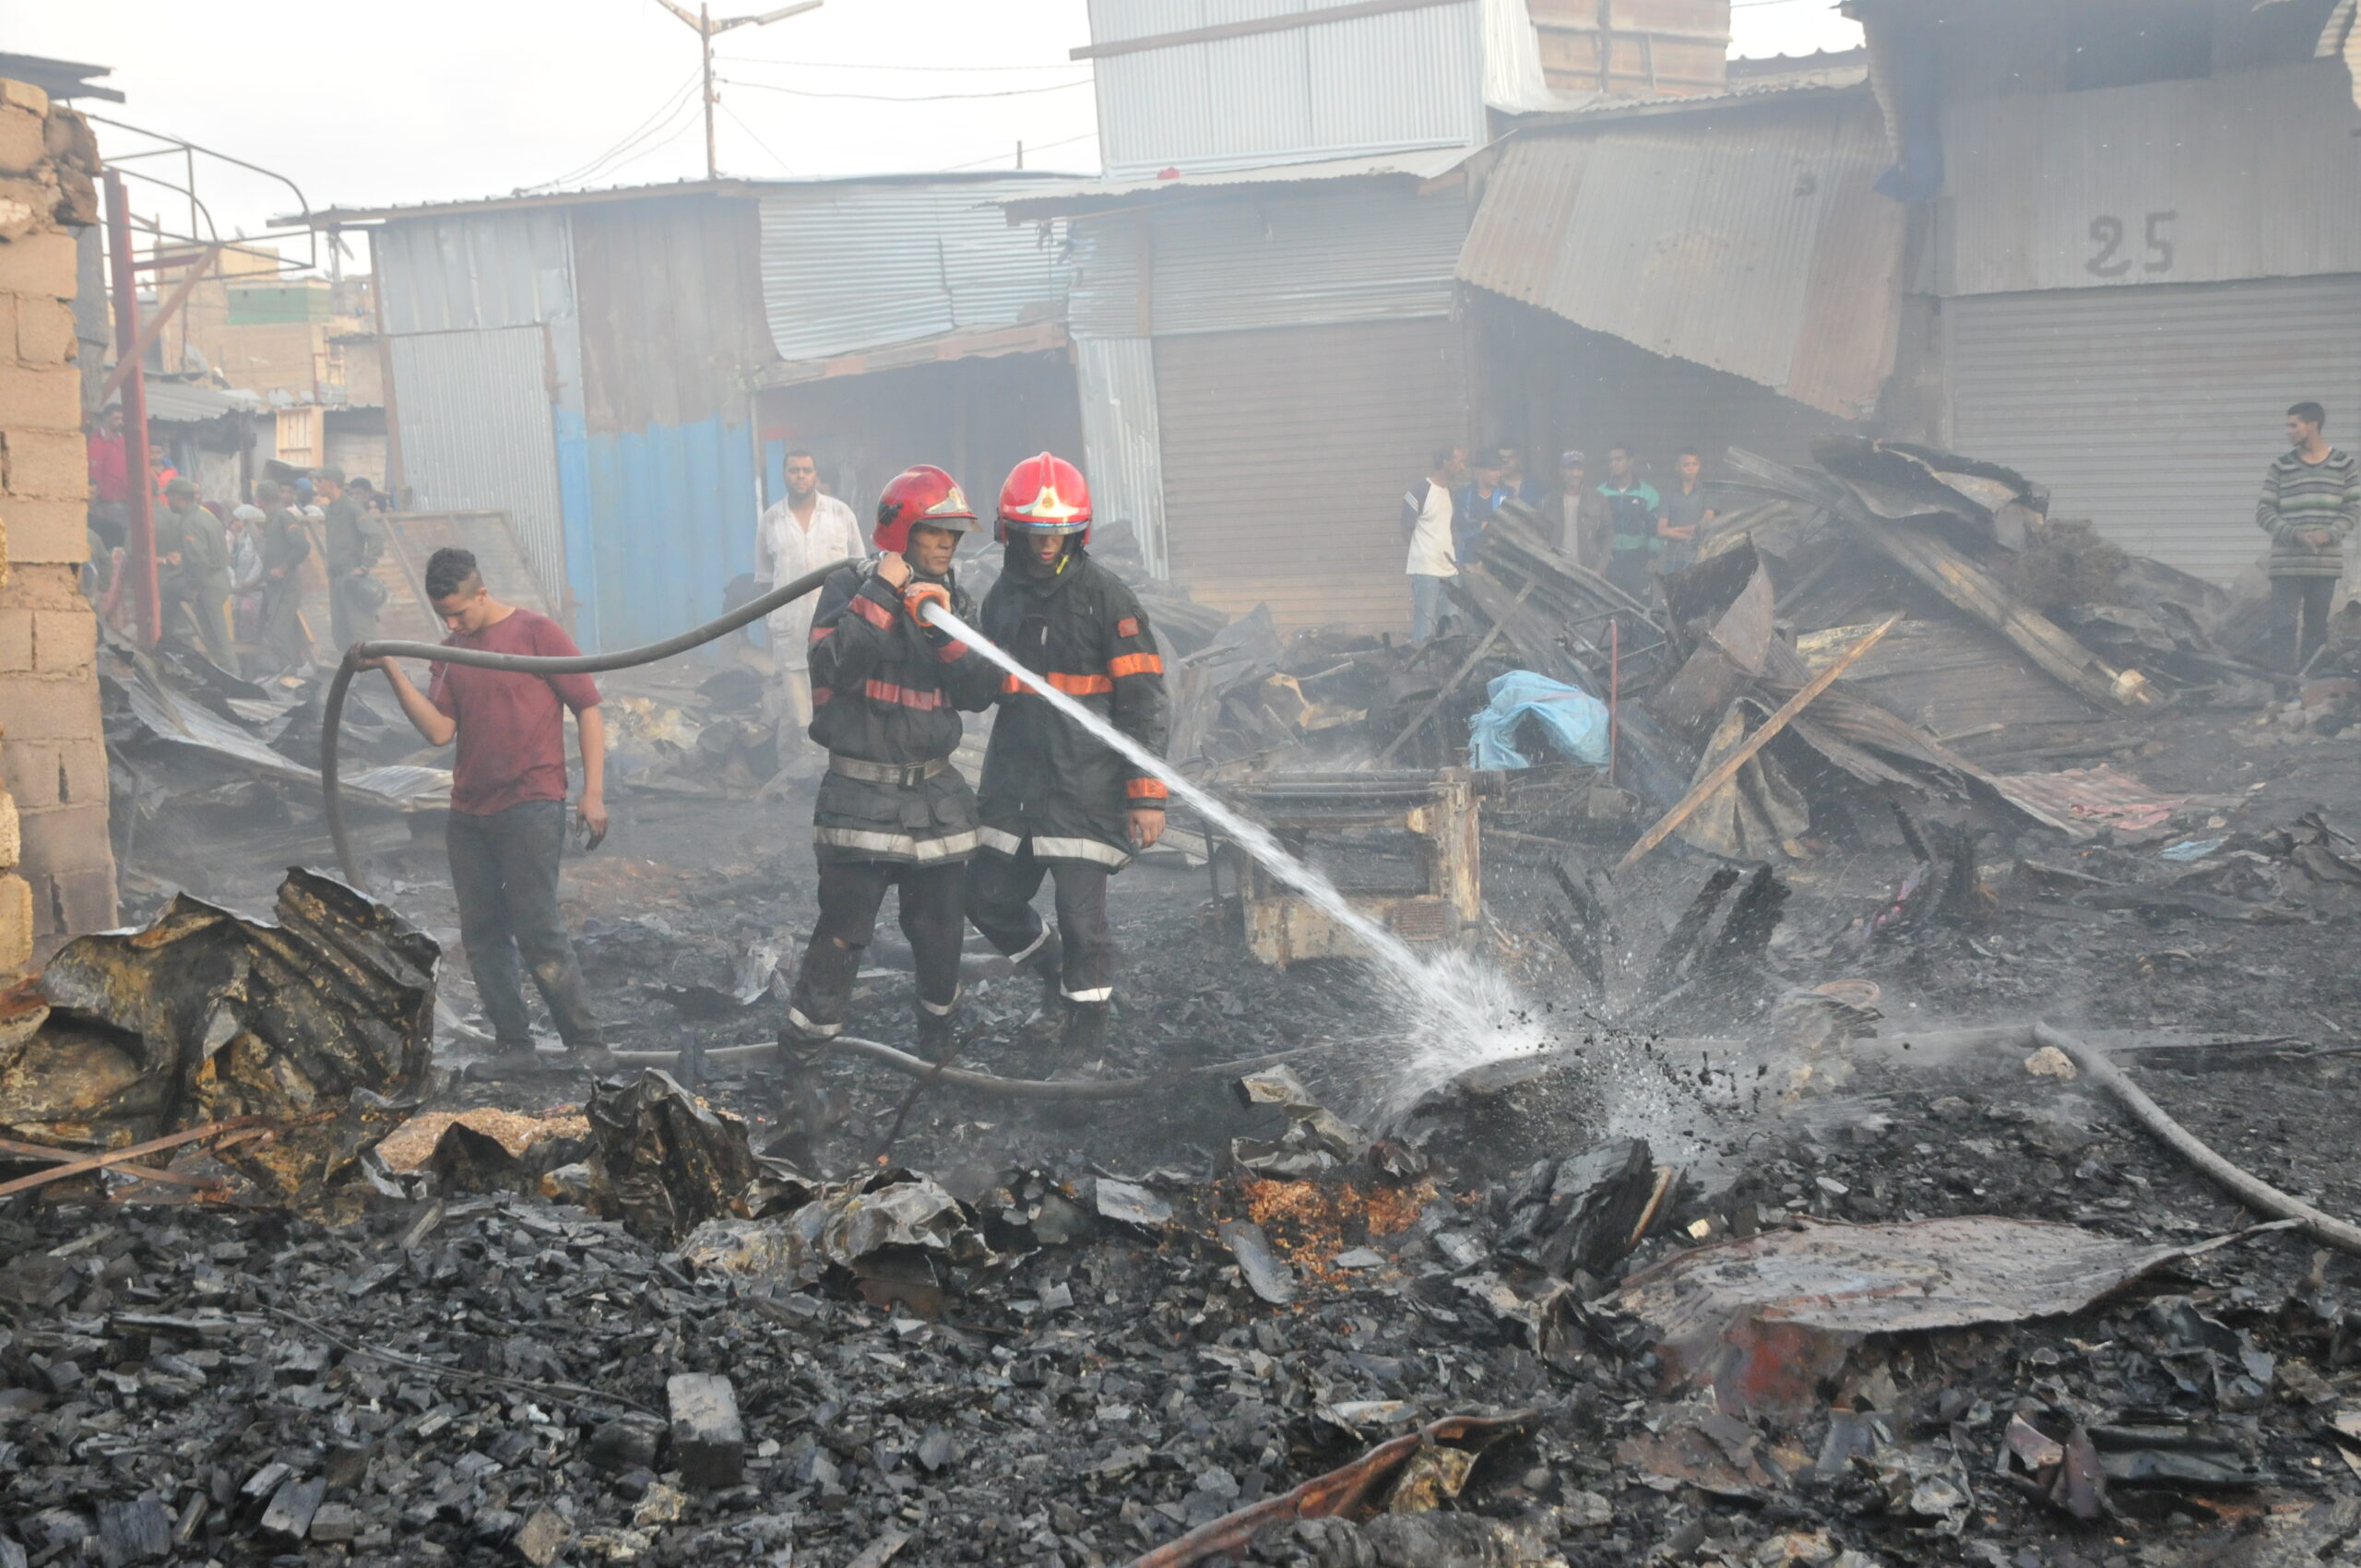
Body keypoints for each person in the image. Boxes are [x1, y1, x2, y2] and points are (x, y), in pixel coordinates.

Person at [774, 465, 1001, 1123]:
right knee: (843, 936)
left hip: (935, 796)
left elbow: (982, 690)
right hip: (859, 794)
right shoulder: (847, 585)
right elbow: (835, 665)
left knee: (940, 933)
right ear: (902, 529)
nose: (947, 547)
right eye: (936, 533)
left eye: (954, 537)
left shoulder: (957, 598)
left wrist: (941, 631)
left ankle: (939, 1050)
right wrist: (882, 591)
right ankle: (801, 1068)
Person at [368, 548, 609, 1075]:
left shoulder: (536, 634)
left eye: (461, 613)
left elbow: (587, 706)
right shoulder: (451, 651)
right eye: (445, 618)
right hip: (471, 809)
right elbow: (438, 731)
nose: (454, 624)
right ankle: (514, 1046)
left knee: (537, 927)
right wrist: (390, 666)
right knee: (482, 933)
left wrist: (594, 792)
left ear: (482, 592)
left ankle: (587, 1044)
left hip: (532, 801)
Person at [965, 453, 1171, 1066]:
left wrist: (1147, 794)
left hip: (1086, 787)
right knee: (986, 899)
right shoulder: (1001, 599)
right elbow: (978, 690)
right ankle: (1056, 980)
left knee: (1082, 922)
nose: (1046, 543)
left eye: (1057, 532)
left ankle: (1087, 1043)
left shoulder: (1108, 599)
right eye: (1034, 532)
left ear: (1075, 532)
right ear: (1013, 532)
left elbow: (1145, 701)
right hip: (1015, 786)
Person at [753, 449, 866, 777]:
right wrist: (771, 624)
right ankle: (809, 775)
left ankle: (842, 768)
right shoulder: (771, 521)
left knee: (841, 690)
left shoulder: (840, 514)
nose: (800, 476)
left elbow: (860, 570)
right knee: (800, 706)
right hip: (791, 629)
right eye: (794, 471)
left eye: (806, 470)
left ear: (816, 475)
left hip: (837, 626)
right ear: (785, 475)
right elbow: (764, 581)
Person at [2258, 401, 2361, 670]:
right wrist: (2295, 535)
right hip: (2286, 564)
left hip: (2324, 565)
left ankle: (2306, 692)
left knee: (2316, 630)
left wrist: (2329, 534)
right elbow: (2264, 511)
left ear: (2313, 426)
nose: (2288, 431)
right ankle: (2281, 693)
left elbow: (2354, 509)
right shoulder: (2281, 466)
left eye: (2294, 425)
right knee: (2283, 626)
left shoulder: (2343, 464)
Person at [154, 476, 232, 667]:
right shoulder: (205, 516)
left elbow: (199, 560)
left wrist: (194, 587)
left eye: (169, 496)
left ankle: (233, 678)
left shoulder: (190, 523)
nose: (167, 501)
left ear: (179, 497)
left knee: (217, 640)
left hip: (208, 583)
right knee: (215, 639)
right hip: (218, 578)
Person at [1402, 445, 1464, 645]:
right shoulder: (1419, 490)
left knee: (1450, 627)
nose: (1462, 467)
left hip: (1449, 569)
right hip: (1426, 569)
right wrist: (1424, 551)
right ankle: (1420, 673)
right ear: (1445, 462)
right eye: (1459, 462)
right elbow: (1405, 530)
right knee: (1424, 629)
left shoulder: (1449, 492)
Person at [321, 467, 387, 649]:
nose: (317, 486)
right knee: (340, 632)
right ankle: (352, 674)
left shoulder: (351, 508)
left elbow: (376, 535)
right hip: (336, 579)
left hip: (352, 578)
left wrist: (365, 566)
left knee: (363, 631)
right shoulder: (331, 509)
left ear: (332, 482)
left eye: (320, 481)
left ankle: (376, 674)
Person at [255, 480, 313, 673]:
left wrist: (283, 568)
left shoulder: (283, 517)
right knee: (286, 632)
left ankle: (289, 677)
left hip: (287, 585)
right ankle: (293, 674)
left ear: (260, 500)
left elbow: (302, 546)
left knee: (277, 632)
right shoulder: (273, 520)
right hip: (276, 586)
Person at [1598, 444, 1664, 599]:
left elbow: (1653, 527)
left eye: (1618, 459)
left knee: (1640, 607)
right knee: (1609, 606)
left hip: (1638, 558)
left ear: (1631, 461)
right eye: (1610, 460)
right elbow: (1595, 528)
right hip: (1609, 559)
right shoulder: (1599, 493)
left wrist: (1653, 556)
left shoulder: (1648, 493)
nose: (1613, 464)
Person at [1658, 446, 1716, 574]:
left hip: (1700, 559)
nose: (1691, 468)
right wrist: (1691, 537)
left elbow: (1705, 526)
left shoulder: (1707, 492)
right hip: (1673, 559)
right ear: (1677, 467)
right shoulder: (1668, 493)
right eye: (1686, 464)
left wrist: (1674, 530)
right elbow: (1661, 531)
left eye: (1694, 464)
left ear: (1699, 466)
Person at [1554, 450, 1611, 571]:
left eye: (1579, 469)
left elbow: (1607, 537)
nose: (1575, 474)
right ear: (1561, 471)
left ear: (1584, 472)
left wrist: (1599, 569)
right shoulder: (1548, 502)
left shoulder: (1598, 499)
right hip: (1556, 570)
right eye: (1570, 469)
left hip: (1588, 571)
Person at [1454, 448, 1510, 565]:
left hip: (1500, 562)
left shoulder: (1508, 494)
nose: (1498, 474)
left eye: (1499, 469)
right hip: (1469, 560)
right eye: (1493, 470)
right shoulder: (1462, 495)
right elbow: (1459, 525)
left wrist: (1482, 526)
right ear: (1479, 470)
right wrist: (1484, 526)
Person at [86, 404, 128, 551]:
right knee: (114, 537)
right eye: (116, 418)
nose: (120, 421)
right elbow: (94, 473)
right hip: (107, 501)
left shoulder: (123, 441)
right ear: (105, 418)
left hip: (125, 498)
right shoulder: (97, 441)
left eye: (122, 418)